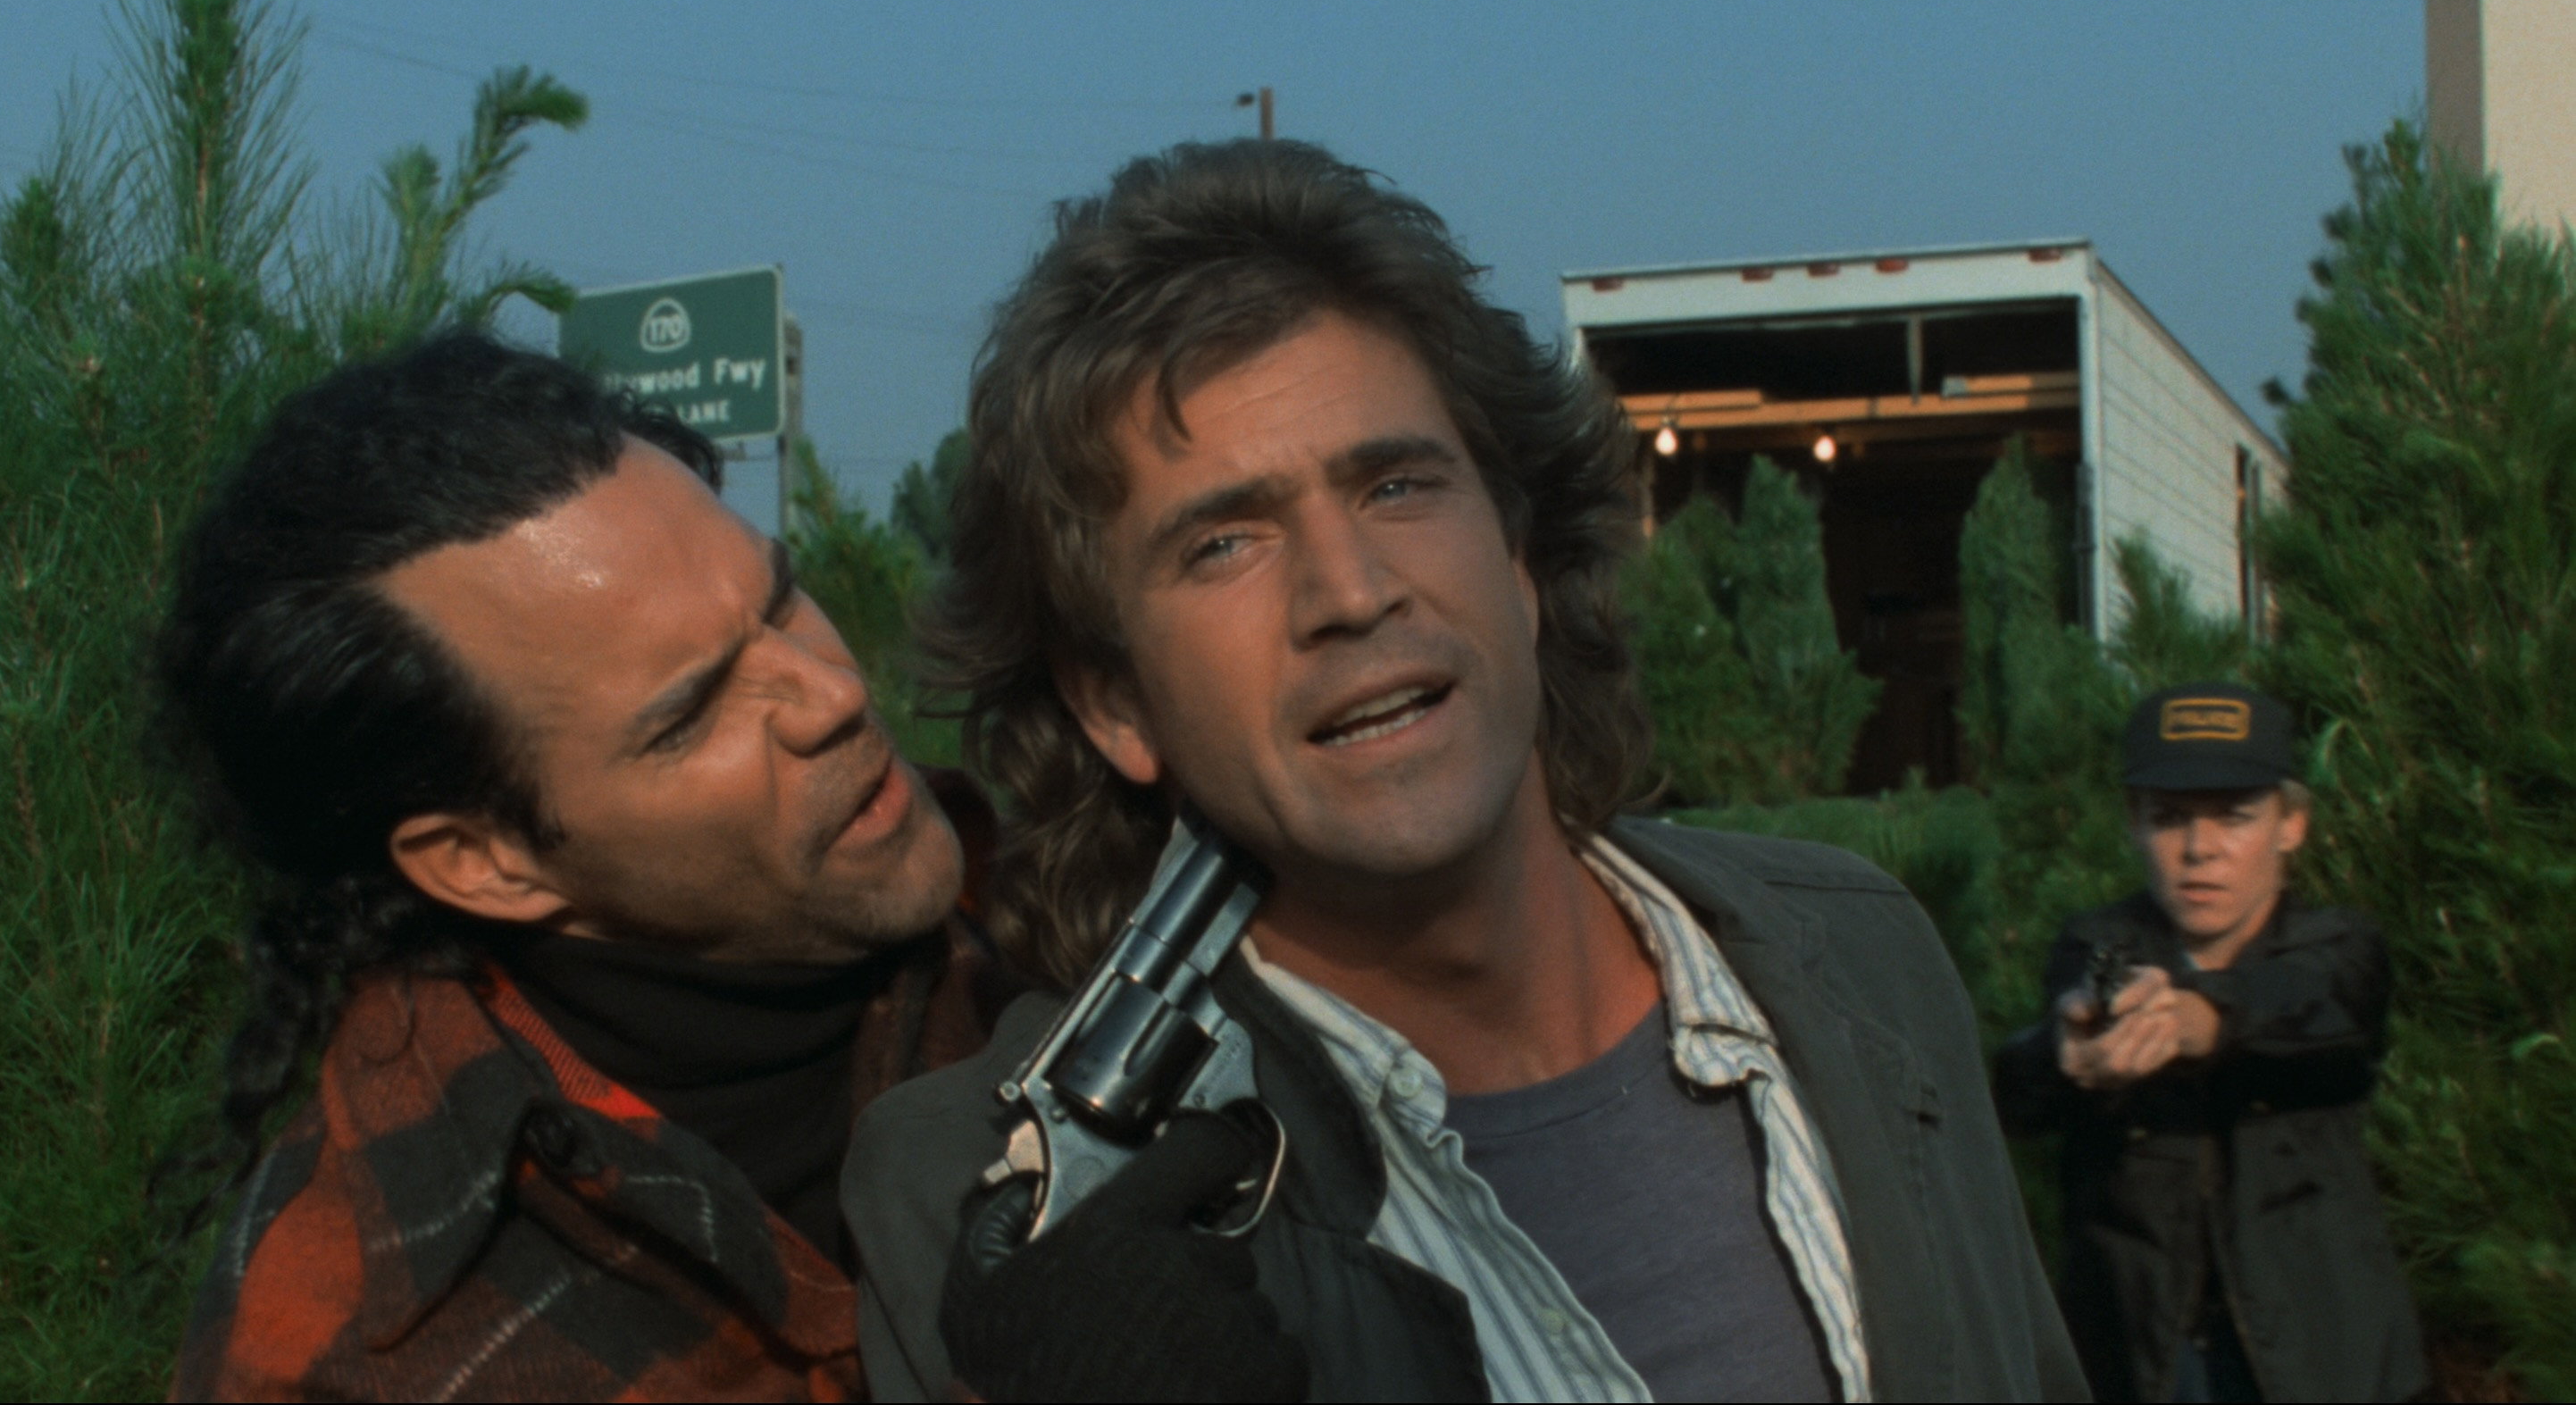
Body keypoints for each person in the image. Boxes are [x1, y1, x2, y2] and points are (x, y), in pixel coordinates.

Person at [841, 138, 2085, 1402]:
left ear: (1521, 559)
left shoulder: (1864, 956)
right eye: (1222, 544)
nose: (1351, 590)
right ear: (1113, 702)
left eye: (1395, 485)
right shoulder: (1000, 1215)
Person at [156, 335, 1008, 1401]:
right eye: (694, 711)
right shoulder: (362, 1360)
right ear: (484, 861)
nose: (831, 692)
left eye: (781, 599)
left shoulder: (1066, 906)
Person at [1994, 682, 2427, 1403]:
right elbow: (2018, 1089)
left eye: (2234, 817)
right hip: (2142, 1359)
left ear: (2291, 825)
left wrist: (2197, 1020)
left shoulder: (2339, 945)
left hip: (2325, 1358)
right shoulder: (2096, 942)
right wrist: (2066, 1055)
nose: (2200, 850)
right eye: (2169, 819)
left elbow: (2314, 1003)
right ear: (2133, 823)